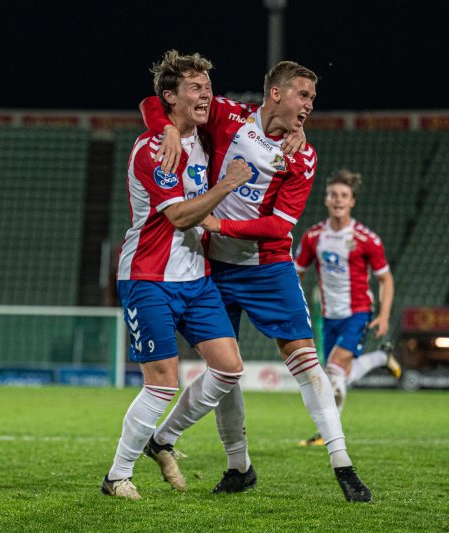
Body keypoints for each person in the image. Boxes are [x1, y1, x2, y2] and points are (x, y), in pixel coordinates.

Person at [141, 60, 372, 502]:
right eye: (303, 96)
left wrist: (219, 226)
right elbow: (153, 101)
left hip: (267, 268)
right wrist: (167, 129)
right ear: (277, 94)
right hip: (213, 269)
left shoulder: (303, 155)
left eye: (313, 99)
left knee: (304, 359)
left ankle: (343, 464)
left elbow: (279, 227)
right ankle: (238, 467)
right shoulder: (229, 116)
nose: (309, 105)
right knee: (223, 370)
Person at [101, 50, 254, 501]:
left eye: (208, 86)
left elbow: (260, 116)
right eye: (195, 87)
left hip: (197, 277)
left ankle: (161, 439)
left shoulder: (198, 137)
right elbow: (181, 219)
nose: (206, 94)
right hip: (149, 276)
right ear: (171, 97)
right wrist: (226, 184)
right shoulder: (153, 149)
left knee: (229, 369)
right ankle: (117, 476)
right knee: (162, 381)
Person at [293, 169, 401, 447]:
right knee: (340, 374)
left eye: (344, 195)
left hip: (358, 312)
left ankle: (328, 436)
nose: (338, 200)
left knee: (334, 367)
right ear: (326, 199)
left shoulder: (367, 239)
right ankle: (381, 359)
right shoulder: (314, 237)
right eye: (333, 195)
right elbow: (297, 272)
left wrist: (384, 315)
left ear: (352, 201)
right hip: (329, 317)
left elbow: (385, 279)